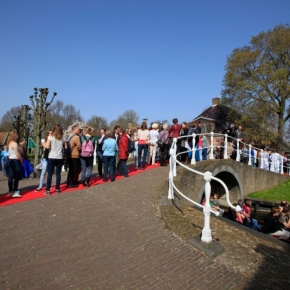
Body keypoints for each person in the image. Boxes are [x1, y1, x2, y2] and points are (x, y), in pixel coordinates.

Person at [43, 124, 65, 195]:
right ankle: (57, 189)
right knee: (58, 174)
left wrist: (43, 142)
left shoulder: (50, 137)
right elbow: (65, 146)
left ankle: (48, 190)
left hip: (52, 156)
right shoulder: (62, 138)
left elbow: (47, 146)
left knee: (50, 174)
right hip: (59, 157)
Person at [7, 131, 23, 197]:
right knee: (17, 176)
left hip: (10, 160)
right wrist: (21, 160)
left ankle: (11, 190)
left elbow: (10, 153)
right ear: (14, 136)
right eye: (16, 135)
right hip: (15, 160)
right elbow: (17, 153)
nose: (17, 136)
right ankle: (15, 190)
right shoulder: (15, 144)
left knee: (11, 176)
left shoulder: (9, 143)